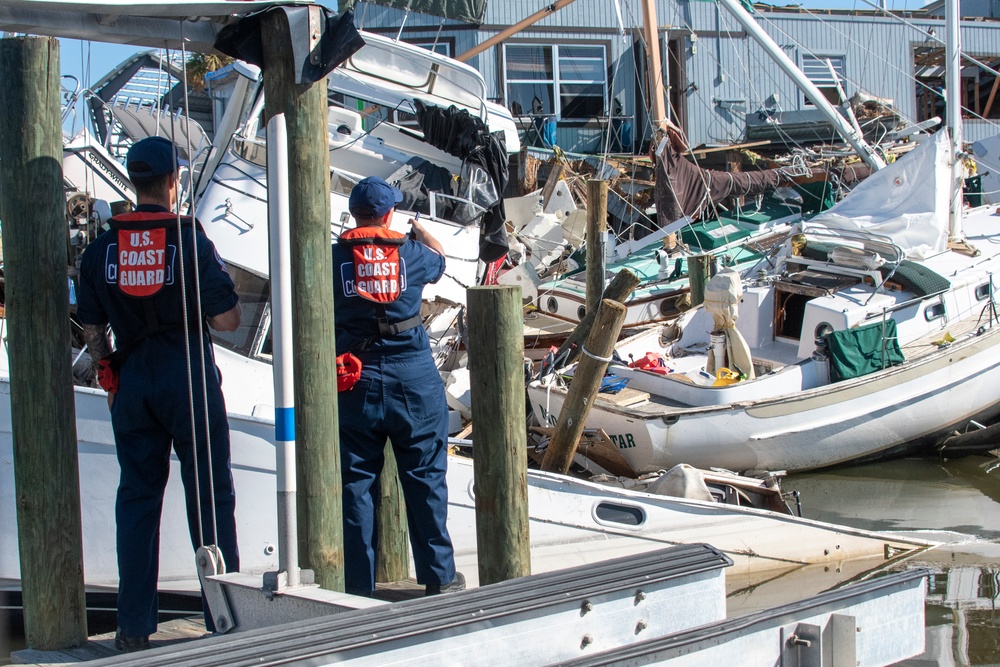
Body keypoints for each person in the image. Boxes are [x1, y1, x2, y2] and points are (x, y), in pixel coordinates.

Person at [76, 136, 242, 652]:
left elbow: (92, 328)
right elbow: (229, 320)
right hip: (186, 371)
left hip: (132, 377)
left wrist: (109, 371)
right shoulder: (190, 240)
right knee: (210, 499)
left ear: (133, 181)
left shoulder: (101, 249)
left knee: (138, 500)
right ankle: (225, 620)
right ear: (173, 183)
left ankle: (132, 628)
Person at [333, 176, 463, 597]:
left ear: (354, 215)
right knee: (425, 477)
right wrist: (421, 231)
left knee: (355, 485)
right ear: (390, 215)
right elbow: (441, 261)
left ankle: (359, 587)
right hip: (413, 377)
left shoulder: (332, 258)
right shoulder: (410, 254)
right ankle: (439, 580)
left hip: (355, 376)